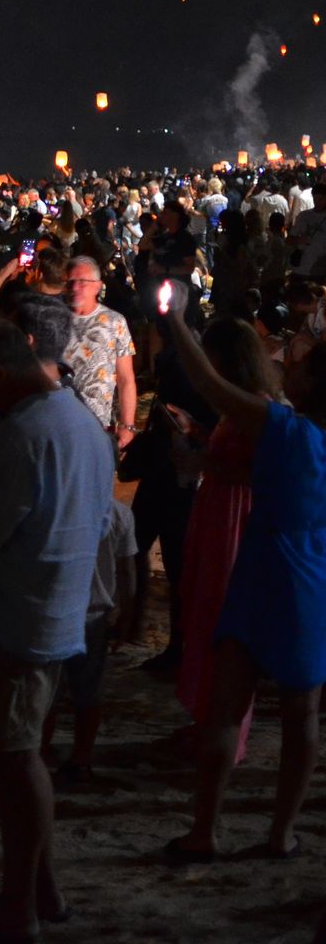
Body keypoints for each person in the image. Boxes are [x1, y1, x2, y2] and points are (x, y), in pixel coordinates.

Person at [0, 320, 114, 939]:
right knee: (26, 753)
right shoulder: (81, 422)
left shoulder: (22, 434)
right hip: (64, 604)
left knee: (19, 762)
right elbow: (99, 519)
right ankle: (43, 892)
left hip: (20, 612)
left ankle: (20, 906)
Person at [161, 300, 326, 864]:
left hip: (263, 566)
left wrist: (175, 319)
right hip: (312, 576)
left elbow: (209, 382)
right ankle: (281, 832)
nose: (289, 366)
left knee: (227, 706)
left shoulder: (285, 428)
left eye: (301, 364)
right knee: (301, 715)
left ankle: (205, 828)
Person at [171, 320, 276, 763]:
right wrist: (197, 431)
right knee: (204, 611)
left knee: (222, 615)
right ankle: (206, 722)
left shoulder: (261, 408)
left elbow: (262, 472)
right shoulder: (240, 409)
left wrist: (202, 463)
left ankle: (224, 733)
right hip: (218, 514)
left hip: (234, 518)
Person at [41, 493, 137, 786]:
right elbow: (127, 570)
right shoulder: (120, 514)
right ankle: (81, 760)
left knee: (49, 691)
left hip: (59, 610)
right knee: (88, 692)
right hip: (96, 614)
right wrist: (128, 615)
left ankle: (41, 753)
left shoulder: (60, 506)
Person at [64, 256, 138, 450]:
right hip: (59, 422)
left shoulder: (114, 322)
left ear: (98, 286)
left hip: (98, 425)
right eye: (71, 282)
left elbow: (126, 379)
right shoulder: (55, 320)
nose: (75, 287)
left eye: (83, 282)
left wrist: (127, 425)